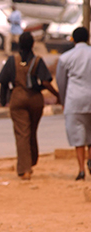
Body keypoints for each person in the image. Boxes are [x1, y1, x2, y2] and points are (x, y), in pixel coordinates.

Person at [0, 32, 60, 180]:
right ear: (33, 44)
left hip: (18, 99)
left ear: (19, 44)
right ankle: (31, 161)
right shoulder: (37, 60)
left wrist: (3, 99)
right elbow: (45, 81)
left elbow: (3, 81)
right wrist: (57, 95)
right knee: (31, 131)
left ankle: (25, 169)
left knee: (22, 134)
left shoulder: (12, 60)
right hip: (35, 100)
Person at [56, 27, 91, 181]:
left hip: (74, 100)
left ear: (74, 39)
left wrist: (63, 100)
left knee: (78, 137)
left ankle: (81, 170)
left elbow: (61, 81)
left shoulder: (66, 58)